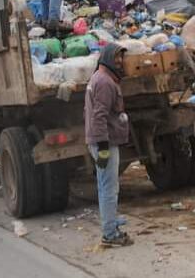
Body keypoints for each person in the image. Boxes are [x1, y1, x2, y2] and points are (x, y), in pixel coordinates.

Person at [84, 43, 133, 247]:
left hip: (102, 140)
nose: (120, 62)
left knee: (106, 185)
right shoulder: (105, 82)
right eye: (116, 58)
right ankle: (110, 234)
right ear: (106, 58)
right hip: (105, 142)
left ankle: (110, 220)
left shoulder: (100, 78)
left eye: (121, 58)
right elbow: (99, 116)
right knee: (108, 188)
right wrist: (103, 146)